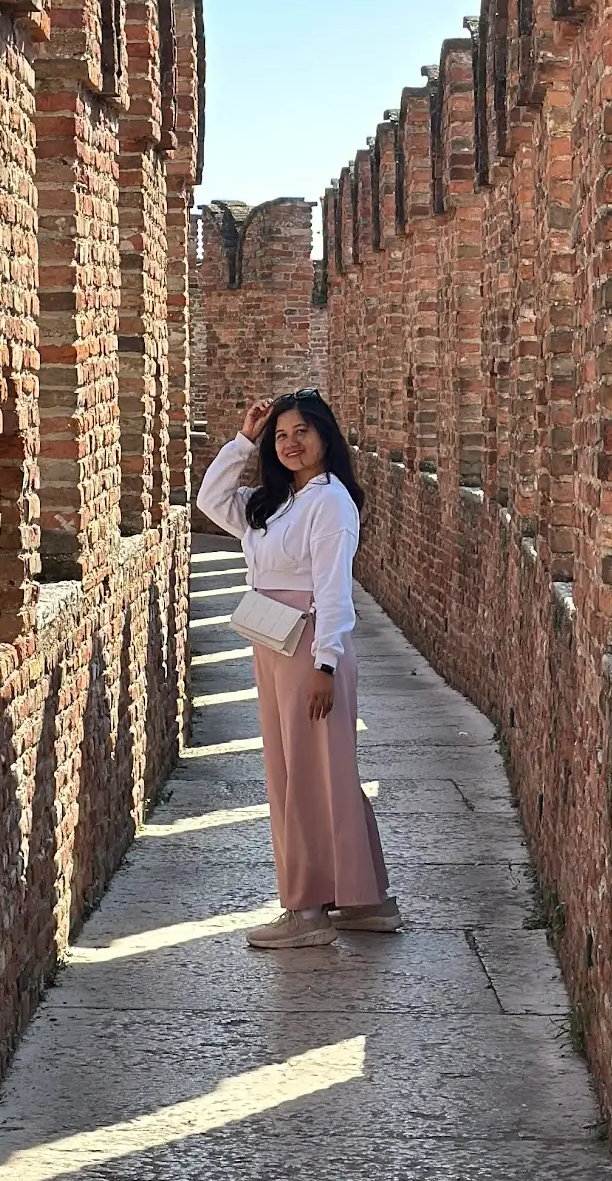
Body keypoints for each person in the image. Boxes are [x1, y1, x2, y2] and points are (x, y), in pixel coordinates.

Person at [196, 388, 400, 949]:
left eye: (301, 433)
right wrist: (244, 437)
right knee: (306, 773)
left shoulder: (330, 503)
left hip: (310, 648)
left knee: (311, 777)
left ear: (325, 438)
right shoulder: (274, 502)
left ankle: (307, 909)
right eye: (281, 435)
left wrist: (326, 665)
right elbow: (211, 500)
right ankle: (365, 900)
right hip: (272, 643)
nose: (290, 443)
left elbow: (334, 590)